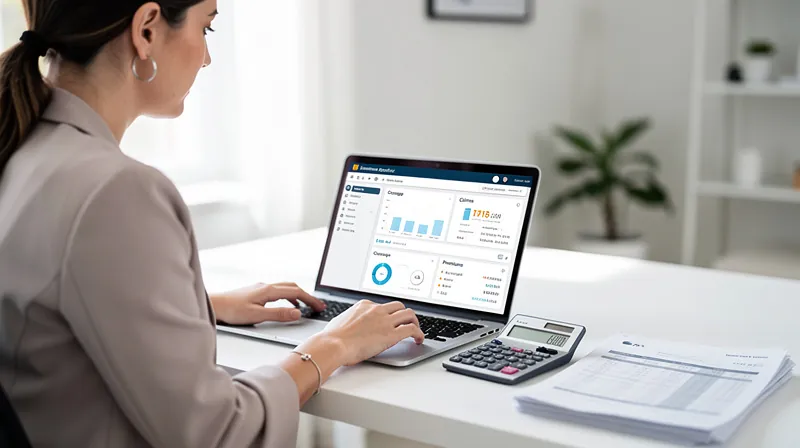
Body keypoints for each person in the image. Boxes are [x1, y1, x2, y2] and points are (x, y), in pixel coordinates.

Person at [0, 1, 425, 447]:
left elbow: (51, 302)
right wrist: (333, 345)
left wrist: (201, 303)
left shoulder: (25, 151)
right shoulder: (114, 192)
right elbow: (218, 433)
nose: (206, 57)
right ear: (146, 30)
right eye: (207, 28)